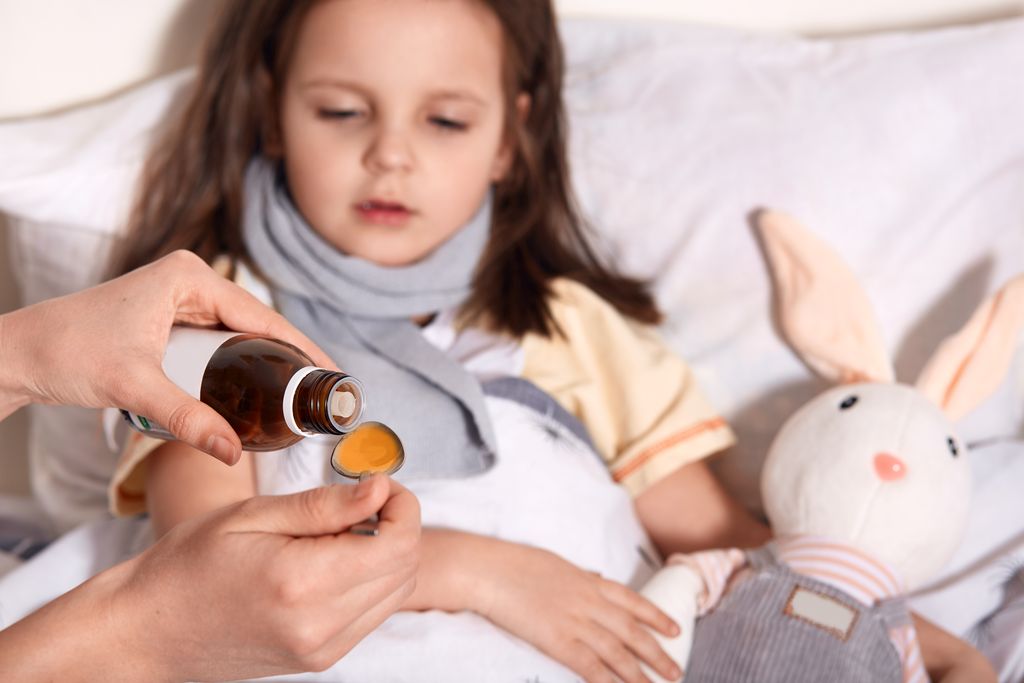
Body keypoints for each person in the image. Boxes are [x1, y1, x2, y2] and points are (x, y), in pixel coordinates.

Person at [93, 0, 994, 681]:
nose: (392, 155)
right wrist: (485, 573)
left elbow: (737, 551)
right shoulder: (211, 321)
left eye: (444, 120)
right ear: (270, 111)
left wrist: (935, 650)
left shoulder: (569, 329)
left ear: (509, 139)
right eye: (341, 112)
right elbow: (213, 571)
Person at [0, 251, 421, 680]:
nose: (391, 178)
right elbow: (210, 549)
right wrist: (145, 632)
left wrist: (23, 355)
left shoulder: (487, 349)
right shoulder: (234, 299)